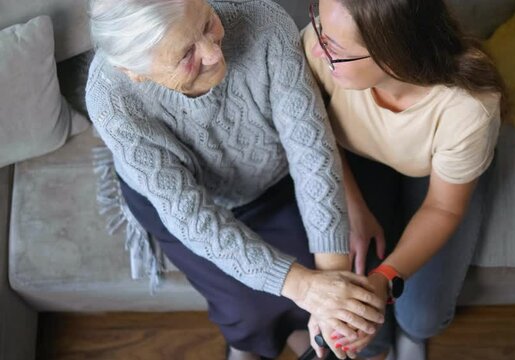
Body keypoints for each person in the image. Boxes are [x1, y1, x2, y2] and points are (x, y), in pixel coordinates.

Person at [85, 1, 386, 359]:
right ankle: (255, 342)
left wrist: (333, 288)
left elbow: (312, 152)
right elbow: (192, 218)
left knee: (333, 262)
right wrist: (306, 288)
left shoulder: (264, 21)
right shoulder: (109, 99)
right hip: (186, 204)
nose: (214, 53)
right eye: (186, 56)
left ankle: (293, 332)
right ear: (133, 71)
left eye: (208, 22)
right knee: (246, 305)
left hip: (272, 174)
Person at [301, 0, 506, 359]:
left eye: (334, 47)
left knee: (422, 316)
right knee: (356, 316)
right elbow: (315, 134)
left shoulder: (469, 109)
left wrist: (385, 279)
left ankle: (412, 337)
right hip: (354, 160)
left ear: (392, 59)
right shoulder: (319, 45)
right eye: (320, 29)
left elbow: (442, 207)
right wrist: (353, 207)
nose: (316, 47)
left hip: (438, 179)